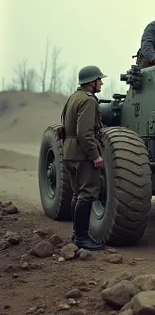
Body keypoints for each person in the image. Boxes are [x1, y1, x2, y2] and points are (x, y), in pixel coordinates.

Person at [61, 65, 107, 251]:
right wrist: (95, 155)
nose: (101, 82)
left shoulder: (73, 97)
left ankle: (77, 234)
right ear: (91, 82)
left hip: (70, 152)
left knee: (78, 193)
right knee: (87, 193)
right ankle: (81, 237)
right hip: (83, 154)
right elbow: (85, 132)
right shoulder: (89, 101)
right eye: (99, 80)